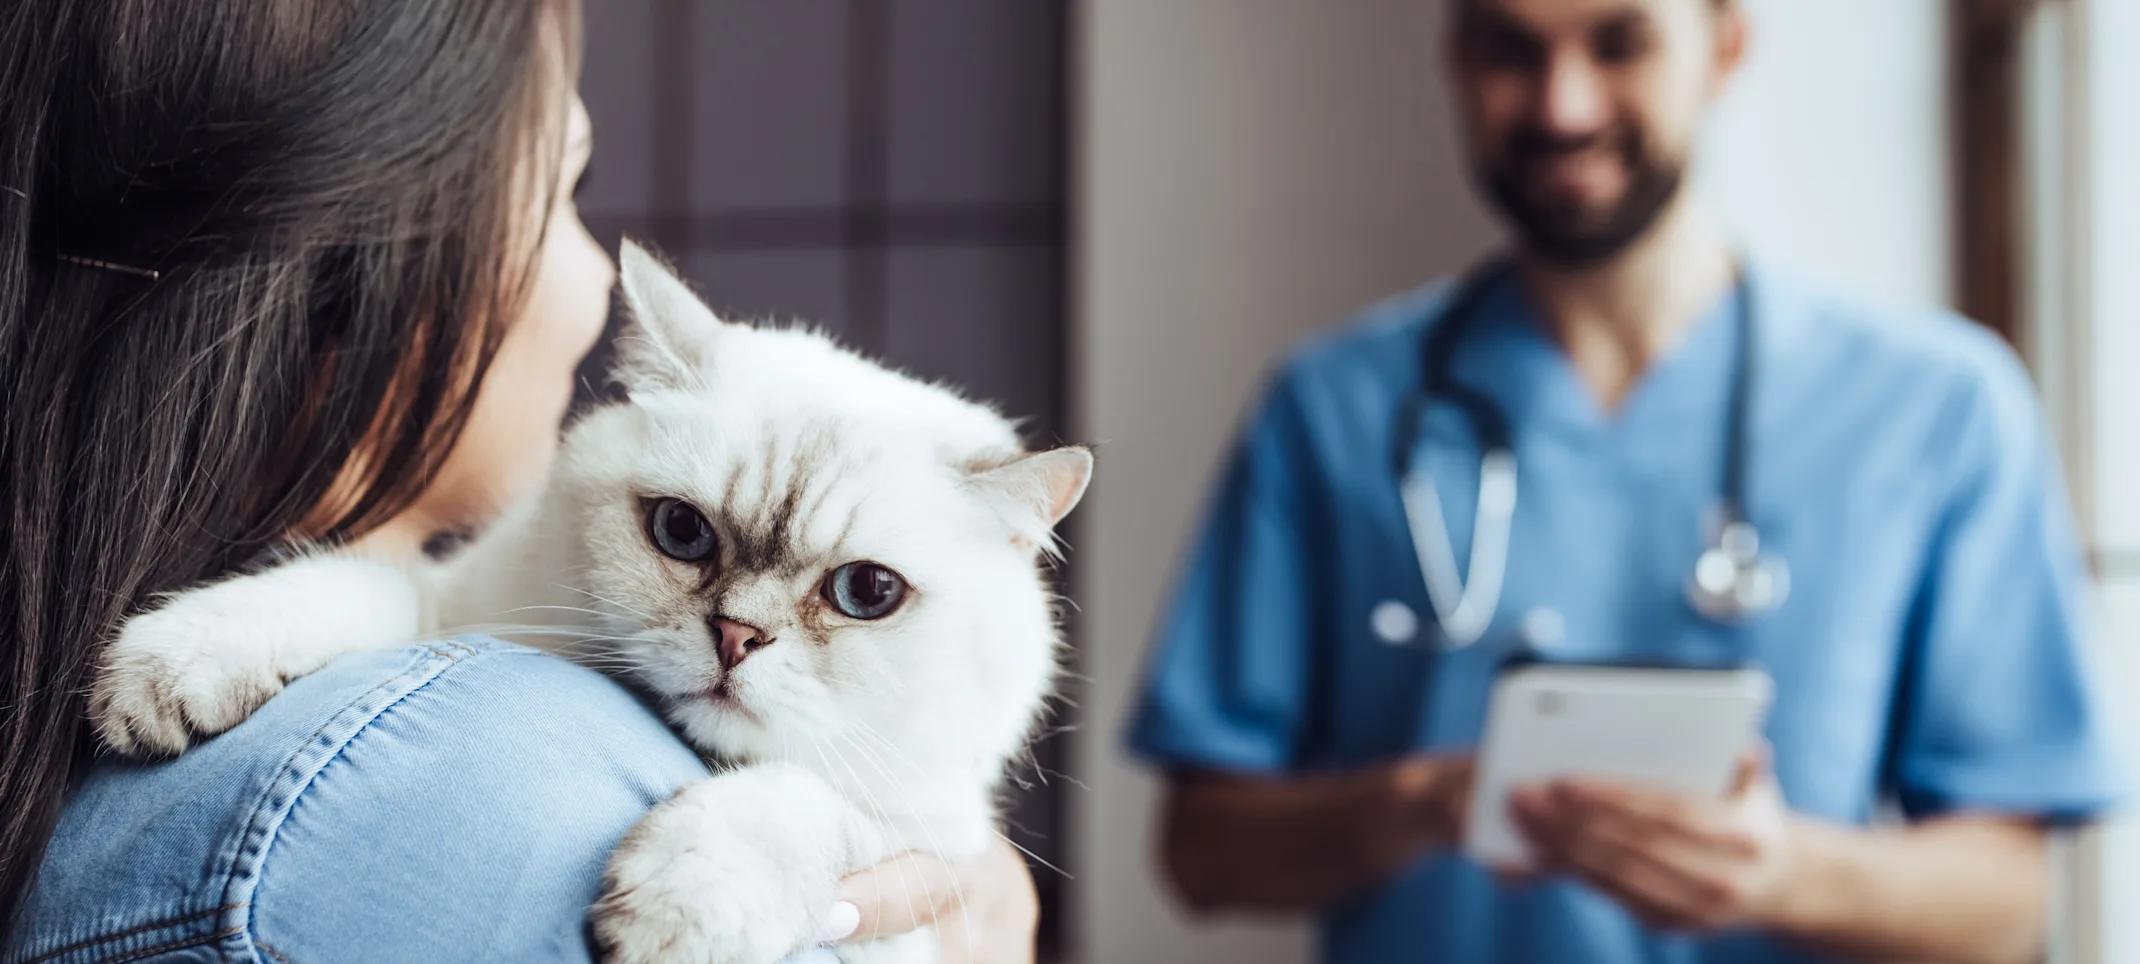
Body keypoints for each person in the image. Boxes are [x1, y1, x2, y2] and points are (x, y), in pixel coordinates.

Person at [0, 1, 1034, 961]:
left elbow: (429, 608)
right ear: (350, 255)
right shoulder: (483, 791)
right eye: (567, 192)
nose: (743, 628)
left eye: (857, 594)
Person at [1126, 1, 2121, 962]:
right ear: (1455, 63)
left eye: (1620, 43)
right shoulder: (1330, 408)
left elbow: (2009, 905)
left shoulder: (1935, 407)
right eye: (1509, 50)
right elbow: (1202, 849)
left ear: (1725, 48)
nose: (1563, 106)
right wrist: (1422, 804)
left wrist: (1780, 875)